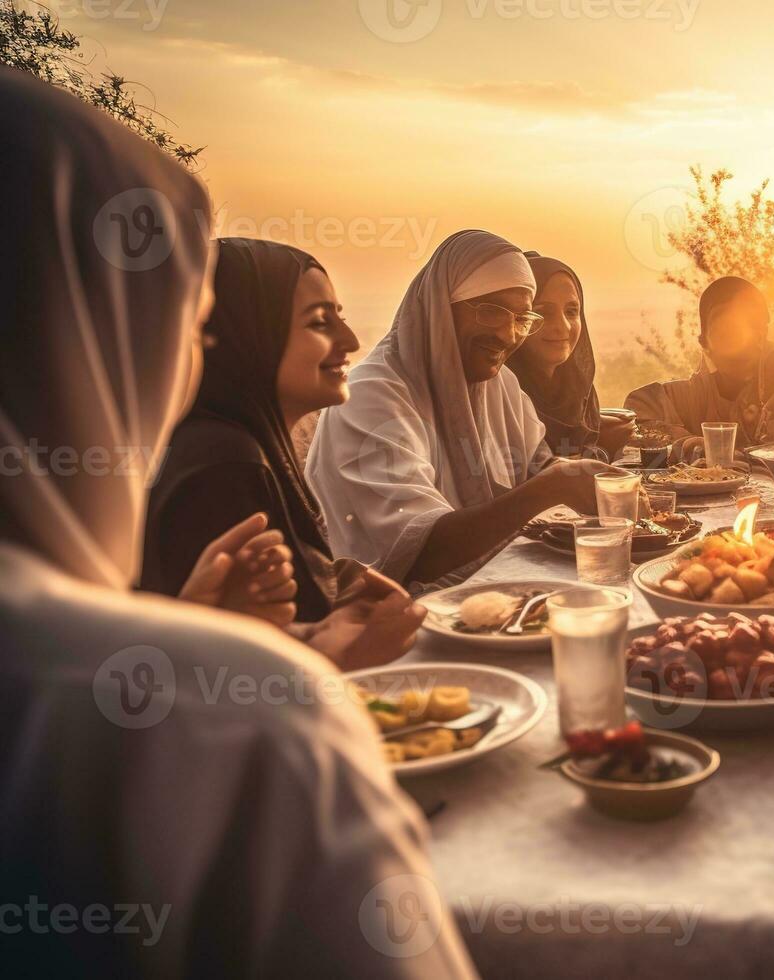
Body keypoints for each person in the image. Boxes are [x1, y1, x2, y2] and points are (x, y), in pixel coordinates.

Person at [0, 66, 474, 976]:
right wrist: (254, 677)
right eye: (182, 325)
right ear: (105, 342)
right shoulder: (236, 727)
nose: (188, 363)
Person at [142, 238, 425, 670]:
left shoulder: (239, 441)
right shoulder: (224, 465)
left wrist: (340, 577)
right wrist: (345, 655)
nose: (349, 340)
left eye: (341, 318)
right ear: (248, 334)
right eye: (318, 323)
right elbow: (226, 672)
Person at [306, 230, 623, 587]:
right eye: (491, 312)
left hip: (491, 591)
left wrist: (575, 476)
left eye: (522, 319)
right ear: (441, 309)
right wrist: (549, 488)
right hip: (388, 613)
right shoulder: (371, 396)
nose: (508, 335)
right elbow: (419, 552)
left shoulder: (498, 384)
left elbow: (538, 465)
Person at [625, 276, 774, 460]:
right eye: (725, 331)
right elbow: (637, 409)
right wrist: (689, 443)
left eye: (747, 327)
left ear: (762, 335)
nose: (739, 342)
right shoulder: (696, 394)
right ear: (705, 344)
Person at [506, 252, 632, 460]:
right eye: (543, 313)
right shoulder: (501, 393)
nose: (562, 326)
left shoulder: (578, 388)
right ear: (519, 319)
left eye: (572, 311)